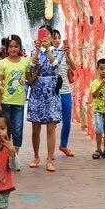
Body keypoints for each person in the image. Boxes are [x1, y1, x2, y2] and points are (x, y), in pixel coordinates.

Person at [27, 28, 61, 172]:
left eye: (47, 35)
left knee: (51, 127)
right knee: (35, 127)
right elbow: (31, 67)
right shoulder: (34, 52)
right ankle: (36, 156)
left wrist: (47, 50)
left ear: (51, 37)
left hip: (51, 91)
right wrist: (37, 50)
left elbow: (55, 65)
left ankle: (49, 159)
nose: (45, 38)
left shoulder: (58, 52)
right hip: (37, 91)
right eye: (42, 35)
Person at [0, 35, 31, 155]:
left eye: (16, 46)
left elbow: (30, 78)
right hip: (5, 102)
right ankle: (5, 155)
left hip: (19, 102)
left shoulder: (25, 62)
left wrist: (36, 68)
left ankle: (14, 156)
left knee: (18, 130)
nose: (13, 49)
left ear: (20, 47)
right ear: (6, 48)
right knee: (5, 131)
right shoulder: (2, 63)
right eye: (10, 46)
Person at [51, 29, 76, 158]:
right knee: (53, 123)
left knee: (67, 121)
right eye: (54, 38)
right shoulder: (49, 53)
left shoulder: (64, 52)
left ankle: (63, 145)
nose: (57, 40)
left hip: (66, 91)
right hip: (53, 92)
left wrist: (68, 54)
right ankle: (51, 151)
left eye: (58, 38)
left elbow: (74, 67)